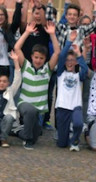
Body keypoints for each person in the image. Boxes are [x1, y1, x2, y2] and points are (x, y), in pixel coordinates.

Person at [13, 20, 61, 149]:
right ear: (32, 57)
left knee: (36, 135)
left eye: (41, 58)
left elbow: (57, 52)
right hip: (24, 105)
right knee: (30, 112)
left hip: (39, 109)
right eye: (36, 57)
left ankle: (18, 131)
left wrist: (52, 34)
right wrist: (27, 32)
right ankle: (27, 140)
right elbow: (17, 48)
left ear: (45, 59)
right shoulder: (26, 66)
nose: (38, 60)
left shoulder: (47, 69)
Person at [54, 39, 88, 151]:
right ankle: (66, 135)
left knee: (78, 124)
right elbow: (62, 55)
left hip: (75, 106)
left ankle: (75, 140)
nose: (69, 62)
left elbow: (85, 70)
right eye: (67, 60)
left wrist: (79, 54)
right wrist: (69, 42)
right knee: (62, 144)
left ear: (75, 62)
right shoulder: (60, 72)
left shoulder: (77, 72)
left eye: (72, 60)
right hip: (62, 107)